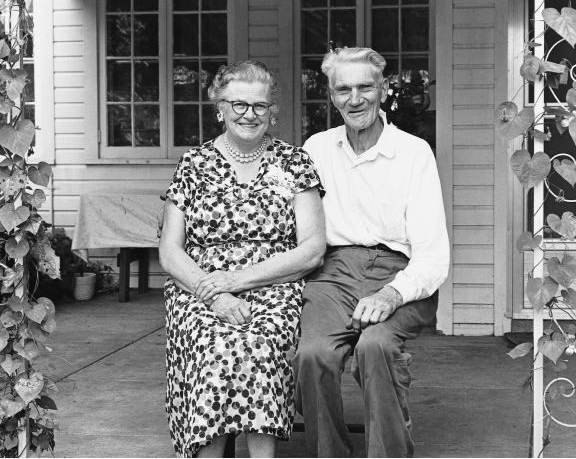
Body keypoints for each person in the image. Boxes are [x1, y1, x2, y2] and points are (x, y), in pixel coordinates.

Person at [159, 60, 326, 458]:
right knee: (212, 343)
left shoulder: (295, 162)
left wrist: (237, 281)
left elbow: (313, 248)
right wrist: (214, 293)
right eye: (238, 104)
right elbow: (169, 250)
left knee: (258, 343)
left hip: (274, 283)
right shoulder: (194, 163)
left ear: (273, 112)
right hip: (199, 286)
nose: (249, 114)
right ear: (219, 107)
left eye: (260, 106)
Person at [292, 47, 450, 458]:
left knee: (375, 345)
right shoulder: (317, 148)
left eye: (365, 87)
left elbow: (432, 256)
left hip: (399, 274)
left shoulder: (413, 152)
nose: (355, 98)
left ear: (383, 89)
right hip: (333, 272)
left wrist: (391, 294)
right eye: (343, 89)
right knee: (313, 354)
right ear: (330, 95)